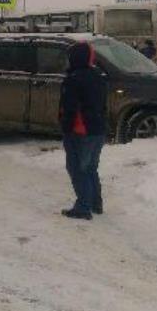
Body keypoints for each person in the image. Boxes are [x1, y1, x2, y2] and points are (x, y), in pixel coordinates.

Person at [59, 42, 108, 220]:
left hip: (80, 131)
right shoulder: (98, 76)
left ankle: (83, 207)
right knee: (90, 168)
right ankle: (96, 203)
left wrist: (65, 127)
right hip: (98, 129)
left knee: (77, 168)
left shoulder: (73, 79)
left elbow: (69, 108)